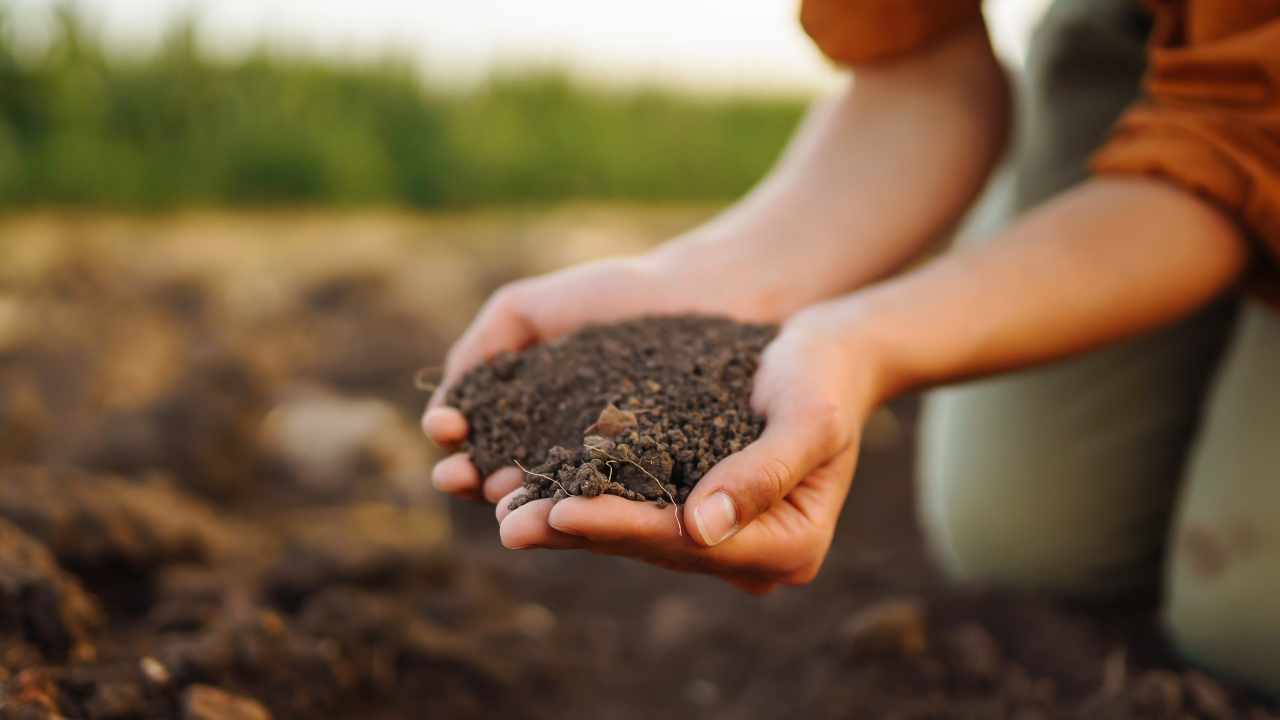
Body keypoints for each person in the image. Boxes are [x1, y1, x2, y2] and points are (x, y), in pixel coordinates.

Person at [424, 0, 1280, 695]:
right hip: (1160, 38)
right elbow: (919, 70)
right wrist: (735, 285)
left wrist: (868, 339)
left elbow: (1246, 142)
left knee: (1249, 622)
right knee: (1027, 542)